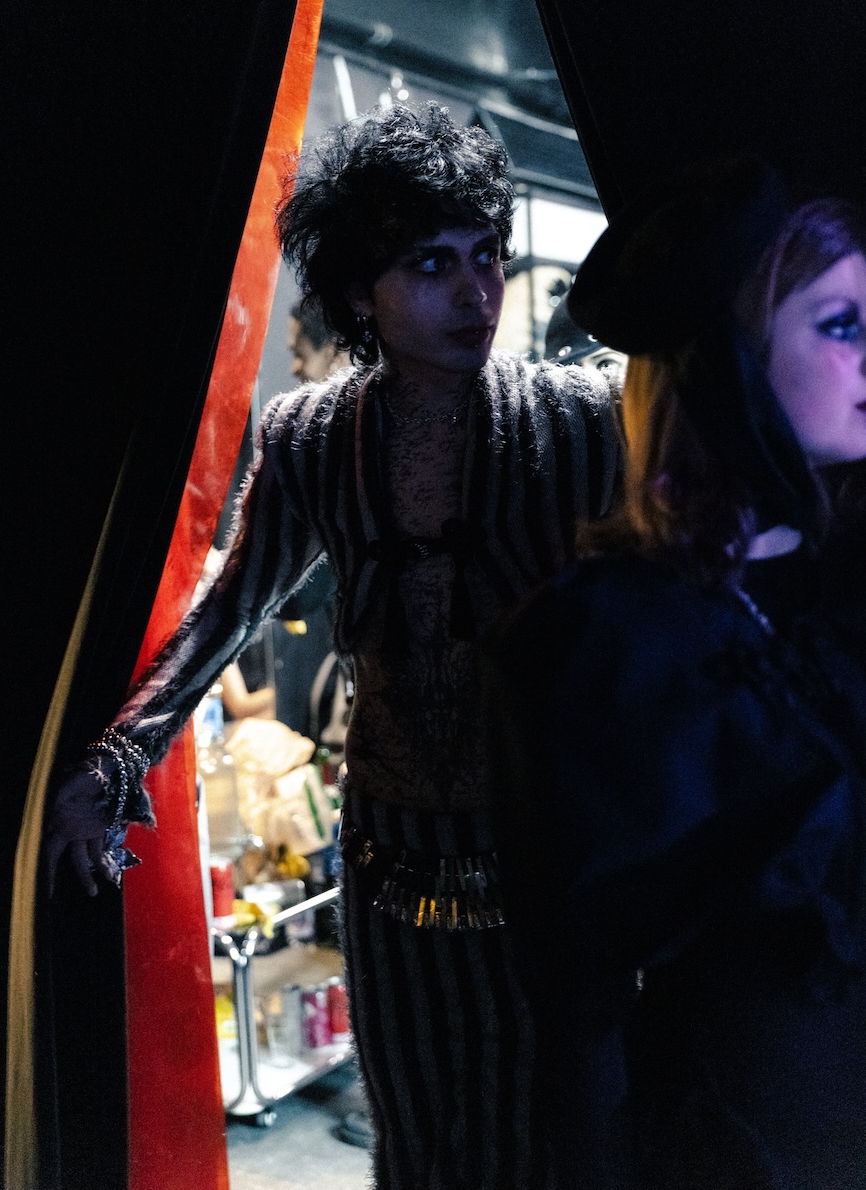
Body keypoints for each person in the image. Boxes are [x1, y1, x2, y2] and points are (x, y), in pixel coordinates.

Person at [46, 101, 622, 1189]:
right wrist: (115, 761)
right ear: (362, 290)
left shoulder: (581, 418)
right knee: (417, 1143)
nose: (477, 292)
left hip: (551, 863)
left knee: (555, 1141)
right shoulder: (312, 435)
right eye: (432, 264)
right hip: (388, 866)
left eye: (487, 253)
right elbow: (232, 607)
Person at [487, 157, 866, 1189]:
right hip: (740, 1142)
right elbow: (577, 1003)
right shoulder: (599, 641)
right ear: (732, 355)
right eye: (840, 324)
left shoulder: (847, 595)